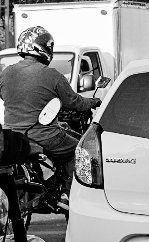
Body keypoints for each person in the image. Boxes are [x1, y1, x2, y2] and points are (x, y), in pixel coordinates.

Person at [0, 26, 101, 190]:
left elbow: (5, 97)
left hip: (12, 136)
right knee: (79, 151)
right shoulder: (52, 75)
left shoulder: (6, 73)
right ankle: (71, 194)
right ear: (42, 48)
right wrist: (94, 102)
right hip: (43, 135)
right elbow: (74, 102)